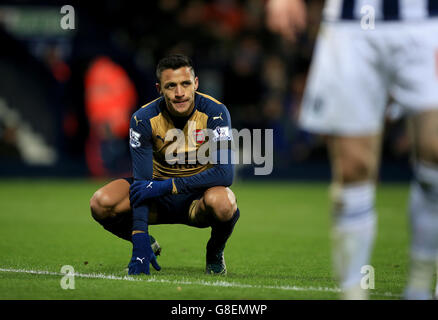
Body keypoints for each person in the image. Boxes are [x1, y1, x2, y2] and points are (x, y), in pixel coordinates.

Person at [267, 0, 438, 299]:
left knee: (434, 153)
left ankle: (421, 285)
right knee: (353, 167)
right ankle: (353, 292)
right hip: (350, 25)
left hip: (426, 21)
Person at [89, 54, 240, 275]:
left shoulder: (215, 113)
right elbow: (141, 185)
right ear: (160, 88)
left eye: (185, 84)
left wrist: (171, 185)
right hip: (155, 198)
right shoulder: (143, 119)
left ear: (195, 84)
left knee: (224, 203)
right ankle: (147, 244)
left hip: (197, 200)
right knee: (100, 203)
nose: (179, 93)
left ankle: (215, 251)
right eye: (171, 86)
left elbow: (225, 174)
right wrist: (139, 239)